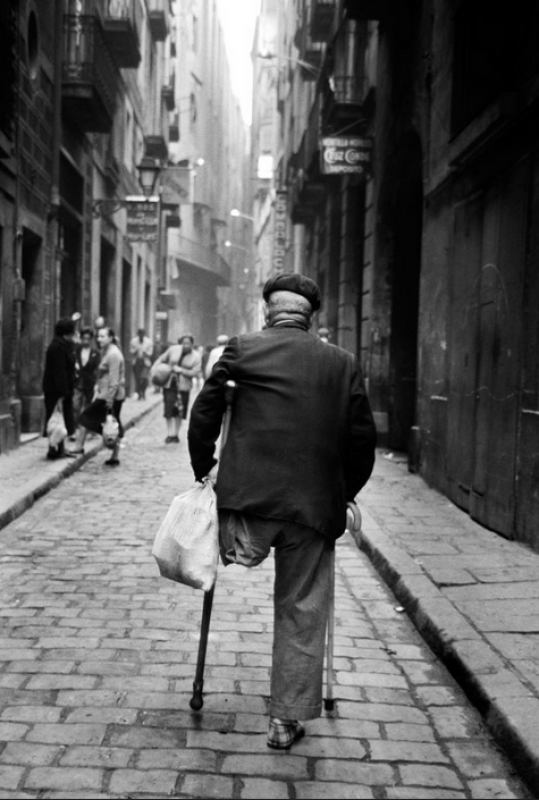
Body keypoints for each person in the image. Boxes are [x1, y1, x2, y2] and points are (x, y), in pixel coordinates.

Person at [188, 273, 377, 750]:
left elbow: (204, 414)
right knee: (301, 607)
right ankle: (284, 720)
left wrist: (203, 470)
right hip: (312, 510)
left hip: (244, 515)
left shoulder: (241, 349)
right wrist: (342, 493)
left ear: (270, 311)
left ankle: (233, 553)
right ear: (309, 317)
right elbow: (362, 445)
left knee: (227, 552)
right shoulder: (342, 364)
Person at [69, 327, 126, 466]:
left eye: (103, 336)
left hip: (108, 396)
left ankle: (79, 447)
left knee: (84, 417)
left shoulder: (113, 354)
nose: (99, 339)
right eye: (99, 337)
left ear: (111, 338)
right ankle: (114, 453)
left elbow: (114, 379)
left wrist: (110, 400)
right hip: (107, 394)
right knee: (112, 424)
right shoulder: (107, 352)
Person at [152, 334, 202, 443]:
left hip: (184, 386)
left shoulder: (196, 357)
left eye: (188, 343)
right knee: (169, 408)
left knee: (180, 410)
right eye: (184, 343)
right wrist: (156, 370)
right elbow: (161, 359)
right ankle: (170, 433)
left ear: (192, 344)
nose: (186, 345)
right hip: (170, 384)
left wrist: (181, 370)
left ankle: (176, 434)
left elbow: (195, 372)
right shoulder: (173, 350)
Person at [42, 318, 78, 460]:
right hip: (56, 391)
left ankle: (60, 448)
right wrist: (62, 393)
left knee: (60, 420)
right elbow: (59, 372)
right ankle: (53, 450)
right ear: (67, 333)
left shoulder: (64, 345)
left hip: (62, 390)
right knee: (55, 420)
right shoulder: (58, 347)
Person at [74, 327, 100, 424]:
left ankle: (89, 427)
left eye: (88, 339)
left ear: (91, 339)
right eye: (84, 338)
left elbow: (98, 369)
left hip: (90, 382)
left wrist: (97, 383)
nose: (86, 341)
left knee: (89, 406)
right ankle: (75, 427)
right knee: (75, 406)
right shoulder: (76, 351)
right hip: (78, 382)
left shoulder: (95, 353)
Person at [129, 328, 153, 400]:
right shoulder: (133, 341)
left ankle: (144, 392)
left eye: (142, 334)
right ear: (138, 334)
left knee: (145, 378)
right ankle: (140, 393)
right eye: (140, 334)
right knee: (138, 379)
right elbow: (131, 351)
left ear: (144, 334)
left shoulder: (149, 342)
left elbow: (151, 352)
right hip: (136, 362)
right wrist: (136, 350)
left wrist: (145, 352)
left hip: (145, 362)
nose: (141, 336)